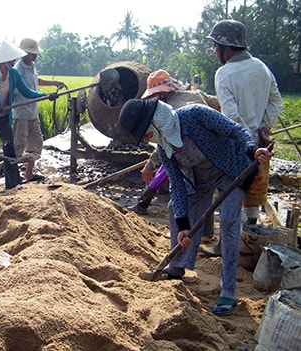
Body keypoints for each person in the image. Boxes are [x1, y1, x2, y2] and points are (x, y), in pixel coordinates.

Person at [118, 98, 273, 316]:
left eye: (145, 131)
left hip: (230, 171)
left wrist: (252, 150)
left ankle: (228, 289)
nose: (145, 138)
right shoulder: (164, 149)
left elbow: (236, 131)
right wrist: (183, 226)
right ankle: (177, 266)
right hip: (199, 180)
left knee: (228, 221)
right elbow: (178, 187)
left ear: (156, 120)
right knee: (175, 209)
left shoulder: (196, 115)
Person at [207, 19, 283, 256]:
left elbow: (230, 116)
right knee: (254, 196)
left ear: (227, 48)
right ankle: (249, 243)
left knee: (231, 196)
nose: (214, 51)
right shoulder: (261, 67)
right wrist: (263, 127)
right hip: (262, 146)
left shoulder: (224, 73)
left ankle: (227, 246)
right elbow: (276, 101)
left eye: (215, 46)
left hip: (237, 147)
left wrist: (246, 142)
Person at [135, 70, 220, 220]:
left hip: (192, 154)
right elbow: (220, 104)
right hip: (213, 151)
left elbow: (165, 144)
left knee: (186, 197)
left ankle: (184, 229)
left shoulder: (170, 112)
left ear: (161, 94)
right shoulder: (197, 94)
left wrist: (151, 163)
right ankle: (206, 234)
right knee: (206, 193)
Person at [0, 41, 57, 189]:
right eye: (11, 59)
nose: (14, 61)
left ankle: (13, 183)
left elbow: (26, 91)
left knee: (9, 150)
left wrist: (45, 95)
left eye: (14, 59)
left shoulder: (14, 73)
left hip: (4, 116)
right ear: (3, 60)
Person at [13, 38, 67, 182]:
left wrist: (53, 83)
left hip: (32, 113)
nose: (35, 55)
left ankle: (29, 173)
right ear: (24, 53)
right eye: (32, 53)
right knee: (19, 144)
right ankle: (13, 175)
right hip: (21, 113)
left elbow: (36, 80)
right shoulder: (17, 70)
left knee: (36, 143)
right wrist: (45, 96)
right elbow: (25, 92)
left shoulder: (32, 65)